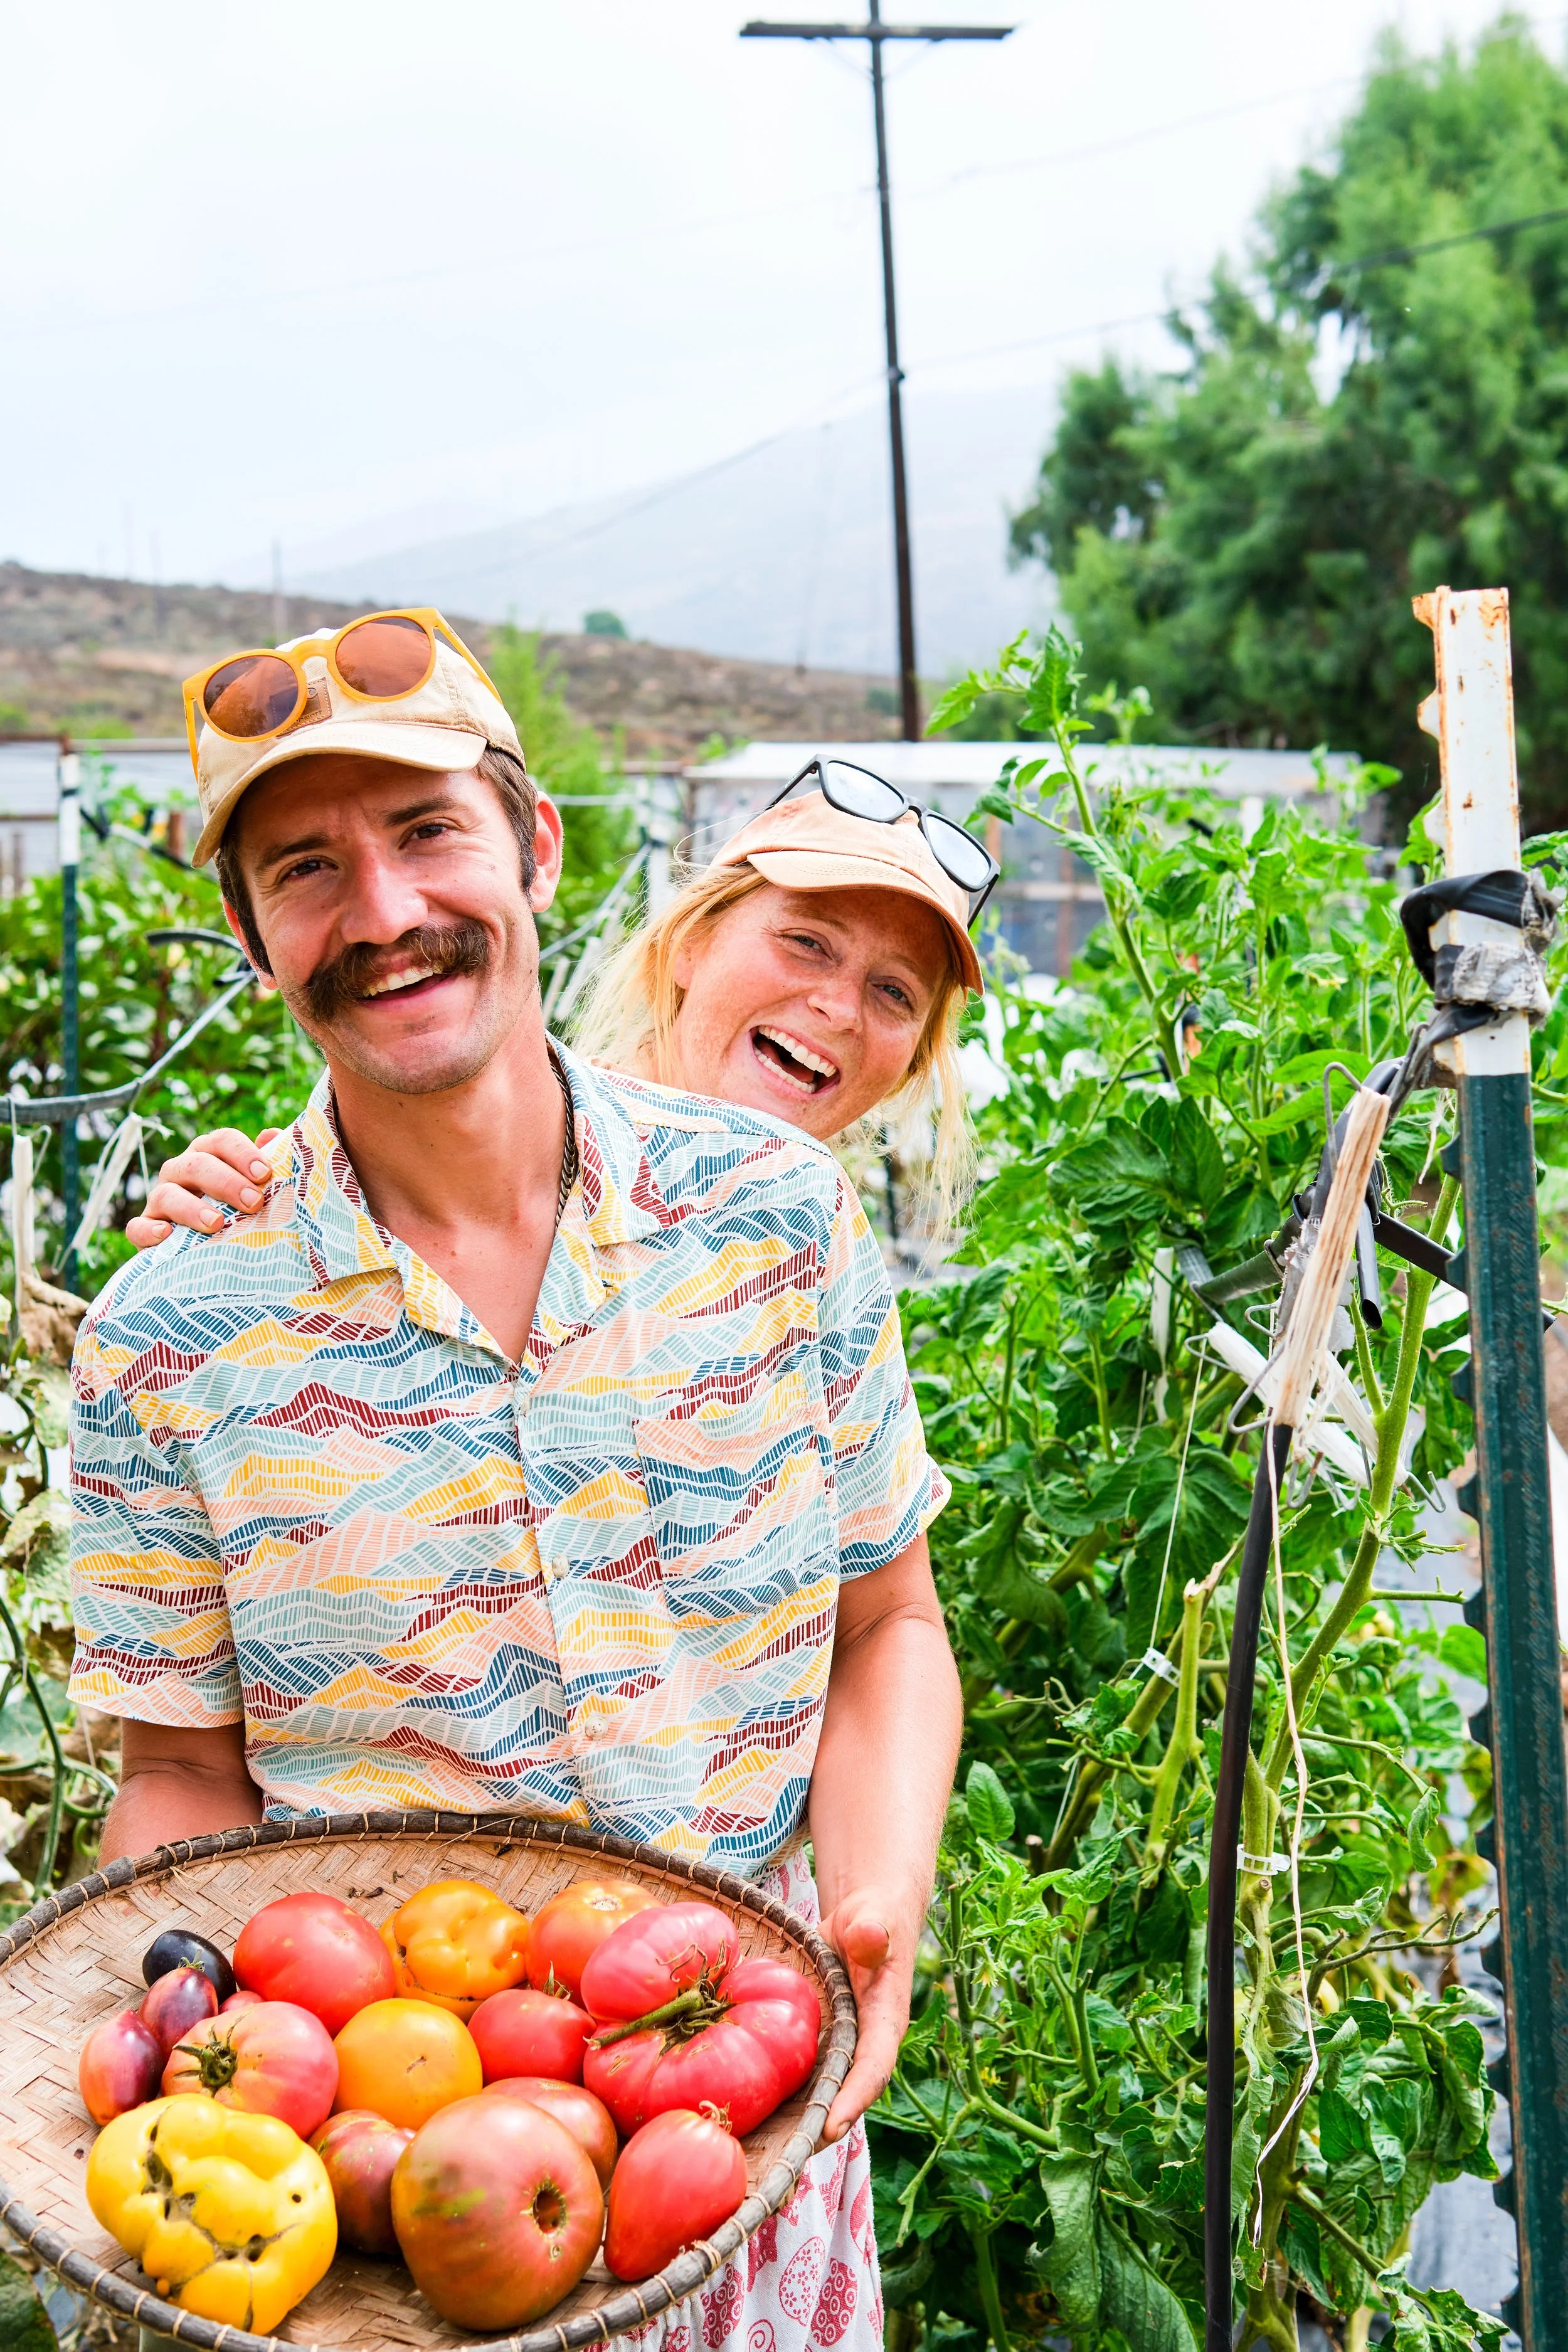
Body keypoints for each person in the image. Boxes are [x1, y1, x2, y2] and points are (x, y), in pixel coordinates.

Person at [67, 615, 972, 2352]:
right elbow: (183, 1771)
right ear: (258, 937)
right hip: (395, 2179)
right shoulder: (169, 1339)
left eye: (425, 834)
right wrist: (171, 2053)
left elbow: (888, 1626)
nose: (385, 912)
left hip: (739, 2113)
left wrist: (878, 1902)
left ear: (534, 844)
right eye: (306, 868)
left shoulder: (774, 1220)